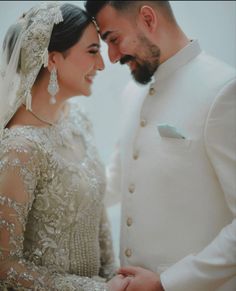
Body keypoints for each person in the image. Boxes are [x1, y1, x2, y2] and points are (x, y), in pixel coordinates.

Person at [85, 1, 236, 291]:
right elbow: (116, 182)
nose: (113, 57)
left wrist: (167, 284)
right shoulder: (132, 94)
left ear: (147, 18)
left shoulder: (223, 90)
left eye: (113, 40)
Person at [0, 2, 132, 290]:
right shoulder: (20, 148)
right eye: (92, 52)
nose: (101, 65)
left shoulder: (78, 121)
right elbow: (5, 267)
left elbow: (97, 213)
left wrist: (114, 278)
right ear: (53, 59)